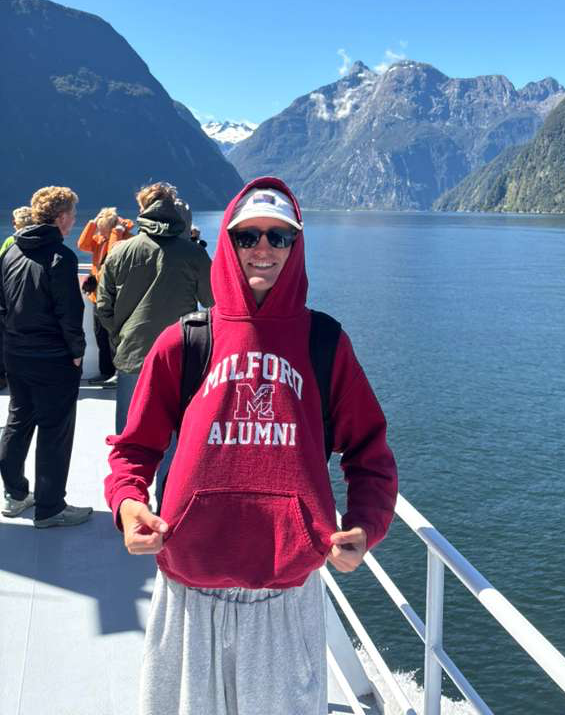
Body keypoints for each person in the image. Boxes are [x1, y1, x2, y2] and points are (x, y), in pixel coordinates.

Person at [105, 177, 397, 715]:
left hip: (285, 592)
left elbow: (370, 452)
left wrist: (366, 525)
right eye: (248, 236)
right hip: (189, 587)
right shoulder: (186, 339)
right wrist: (128, 505)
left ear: (296, 245)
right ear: (230, 244)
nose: (262, 249)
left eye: (278, 237)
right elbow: (133, 449)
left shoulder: (324, 342)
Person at [0, 186, 92, 527]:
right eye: (72, 214)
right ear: (61, 217)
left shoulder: (10, 253)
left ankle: (15, 494)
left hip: (16, 353)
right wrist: (78, 353)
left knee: (18, 420)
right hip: (53, 357)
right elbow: (69, 312)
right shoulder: (60, 257)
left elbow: (2, 304)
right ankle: (50, 508)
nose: (74, 220)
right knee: (55, 429)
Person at [96, 182, 213, 433]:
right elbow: (215, 303)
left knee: (130, 439)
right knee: (173, 441)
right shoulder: (194, 255)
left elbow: (104, 306)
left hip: (132, 355)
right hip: (180, 357)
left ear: (142, 208)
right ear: (173, 209)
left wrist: (120, 337)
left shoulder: (119, 252)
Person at [77, 206, 134, 385]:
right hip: (98, 296)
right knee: (100, 335)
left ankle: (119, 372)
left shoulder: (127, 240)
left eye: (103, 227)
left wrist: (117, 232)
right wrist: (92, 223)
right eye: (99, 227)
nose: (100, 231)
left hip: (117, 297)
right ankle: (105, 371)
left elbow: (112, 255)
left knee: (116, 337)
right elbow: (82, 245)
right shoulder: (99, 240)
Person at [0, 206, 35, 392]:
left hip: (9, 300)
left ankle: (4, 377)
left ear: (16, 223)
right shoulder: (41, 243)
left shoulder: (9, 243)